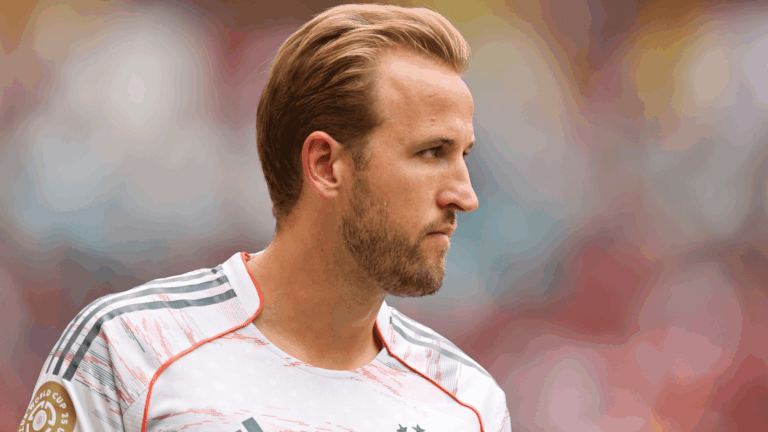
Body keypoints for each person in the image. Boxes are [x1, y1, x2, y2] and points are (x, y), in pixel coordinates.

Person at [20, 4, 510, 432]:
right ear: (325, 165)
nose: (465, 196)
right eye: (432, 152)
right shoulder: (129, 351)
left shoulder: (469, 402)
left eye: (464, 155)